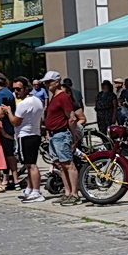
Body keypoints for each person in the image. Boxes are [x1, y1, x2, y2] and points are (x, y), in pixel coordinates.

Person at [43, 70, 84, 205]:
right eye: (46, 82)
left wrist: (73, 137)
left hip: (61, 134)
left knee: (68, 164)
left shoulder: (63, 97)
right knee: (60, 165)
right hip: (54, 135)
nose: (46, 84)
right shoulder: (54, 97)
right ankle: (67, 192)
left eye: (49, 82)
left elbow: (71, 118)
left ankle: (74, 193)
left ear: (57, 82)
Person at [3, 77, 46, 202]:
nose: (16, 92)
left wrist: (8, 111)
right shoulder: (37, 101)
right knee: (28, 164)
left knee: (31, 165)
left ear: (26, 88)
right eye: (14, 89)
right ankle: (30, 188)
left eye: (18, 89)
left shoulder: (23, 104)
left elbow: (15, 122)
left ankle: (37, 192)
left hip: (25, 135)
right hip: (35, 134)